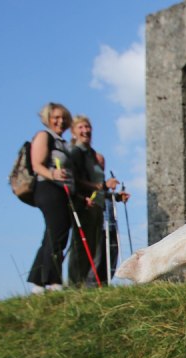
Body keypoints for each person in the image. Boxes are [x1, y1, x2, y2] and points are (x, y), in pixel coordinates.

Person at [67, 115, 130, 287]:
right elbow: (76, 181)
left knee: (96, 248)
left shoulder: (94, 156)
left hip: (98, 207)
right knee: (81, 247)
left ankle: (90, 286)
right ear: (73, 132)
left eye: (87, 127)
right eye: (80, 127)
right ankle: (75, 286)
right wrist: (102, 185)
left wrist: (116, 196)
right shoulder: (75, 153)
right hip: (83, 205)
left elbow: (99, 189)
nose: (85, 130)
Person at [27, 102, 75, 295]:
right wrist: (54, 175)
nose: (60, 121)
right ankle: (53, 280)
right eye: (56, 117)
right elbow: (37, 164)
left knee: (53, 234)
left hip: (60, 191)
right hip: (47, 188)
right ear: (47, 119)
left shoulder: (62, 143)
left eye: (63, 118)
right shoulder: (43, 136)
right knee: (57, 233)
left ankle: (38, 282)